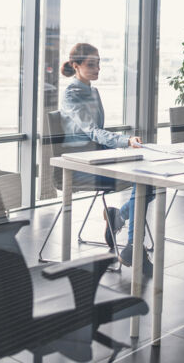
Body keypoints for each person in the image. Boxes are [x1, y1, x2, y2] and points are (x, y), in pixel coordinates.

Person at [59, 43, 151, 275]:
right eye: (91, 64)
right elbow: (92, 131)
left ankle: (120, 219)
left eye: (99, 63)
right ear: (75, 65)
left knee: (150, 177)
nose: (98, 68)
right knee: (144, 180)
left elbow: (98, 134)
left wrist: (123, 146)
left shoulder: (93, 91)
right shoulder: (71, 93)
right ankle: (131, 244)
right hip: (80, 165)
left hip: (98, 158)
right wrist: (125, 141)